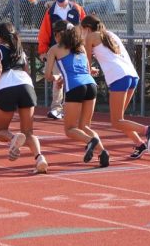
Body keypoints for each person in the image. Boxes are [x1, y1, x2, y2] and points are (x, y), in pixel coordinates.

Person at [81, 15, 150, 159]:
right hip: (131, 75)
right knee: (120, 121)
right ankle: (140, 144)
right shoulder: (110, 34)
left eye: (82, 30)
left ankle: (147, 130)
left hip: (118, 77)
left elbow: (86, 62)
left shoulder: (90, 37)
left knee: (116, 121)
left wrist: (87, 72)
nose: (82, 34)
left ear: (88, 28)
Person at [43, 21, 109, 168]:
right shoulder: (81, 47)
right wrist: (64, 78)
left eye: (55, 34)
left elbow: (47, 75)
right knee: (85, 126)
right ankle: (103, 152)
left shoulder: (55, 49)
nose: (54, 37)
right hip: (91, 85)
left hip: (75, 87)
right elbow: (87, 69)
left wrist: (56, 78)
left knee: (70, 129)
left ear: (60, 34)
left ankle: (91, 142)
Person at [0, 21, 48, 174]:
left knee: (0, 130)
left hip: (7, 86)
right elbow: (27, 70)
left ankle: (14, 138)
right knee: (28, 132)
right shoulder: (21, 50)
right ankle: (40, 158)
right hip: (26, 85)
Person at [37, 0, 86, 120]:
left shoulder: (77, 8)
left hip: (75, 48)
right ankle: (56, 108)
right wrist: (43, 50)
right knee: (57, 79)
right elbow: (44, 32)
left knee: (75, 78)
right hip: (58, 50)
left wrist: (86, 47)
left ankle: (73, 107)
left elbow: (85, 27)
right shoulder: (51, 11)